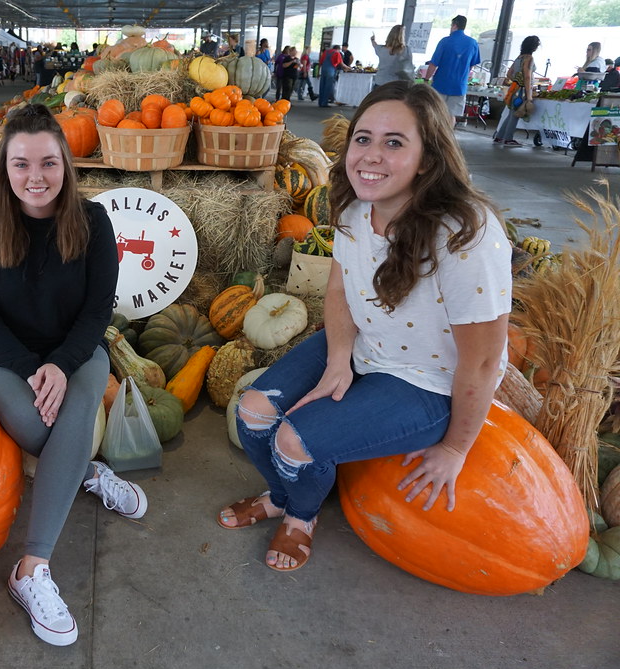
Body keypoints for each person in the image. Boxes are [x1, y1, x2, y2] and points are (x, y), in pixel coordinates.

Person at [217, 81, 511, 572]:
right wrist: (337, 361)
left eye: (394, 142)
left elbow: (481, 360)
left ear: (428, 157)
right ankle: (282, 492)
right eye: (363, 138)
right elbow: (341, 289)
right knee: (252, 412)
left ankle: (301, 515)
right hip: (365, 346)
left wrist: (457, 447)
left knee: (294, 440)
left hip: (428, 383)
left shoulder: (466, 235)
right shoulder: (355, 206)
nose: (371, 155)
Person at [0, 104, 146, 646]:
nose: (35, 177)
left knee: (78, 404)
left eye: (47, 163)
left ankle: (30, 568)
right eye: (21, 164)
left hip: (77, 353)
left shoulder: (92, 222)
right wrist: (32, 369)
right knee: (41, 432)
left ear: (66, 164)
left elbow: (96, 311)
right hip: (3, 357)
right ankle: (84, 472)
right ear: (4, 169)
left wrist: (61, 367)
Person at [425, 15, 481, 121]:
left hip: (440, 84)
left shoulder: (445, 41)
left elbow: (433, 64)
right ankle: (447, 136)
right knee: (451, 116)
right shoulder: (472, 43)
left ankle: (434, 135)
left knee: (435, 113)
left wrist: (426, 79)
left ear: (454, 26)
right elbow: (472, 64)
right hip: (459, 86)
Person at [493, 36, 540, 147]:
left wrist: (516, 79)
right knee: (516, 114)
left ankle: (500, 136)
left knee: (511, 114)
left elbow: (509, 73)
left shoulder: (519, 57)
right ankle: (508, 138)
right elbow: (527, 77)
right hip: (522, 91)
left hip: (514, 89)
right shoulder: (529, 58)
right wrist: (529, 96)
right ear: (534, 46)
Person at [318, 43, 350, 107]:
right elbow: (341, 63)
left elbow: (320, 61)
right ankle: (324, 103)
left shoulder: (326, 52)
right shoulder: (337, 53)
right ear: (338, 49)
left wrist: (318, 72)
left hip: (323, 70)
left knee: (322, 86)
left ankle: (320, 102)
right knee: (328, 87)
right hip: (330, 70)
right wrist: (348, 68)